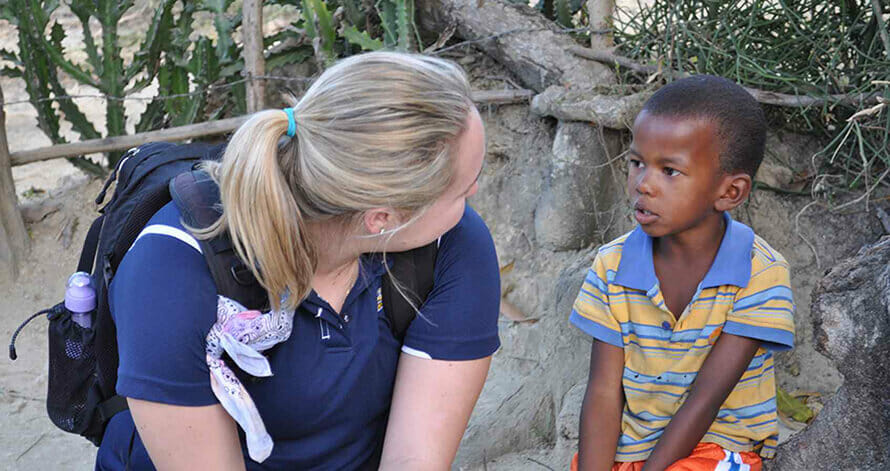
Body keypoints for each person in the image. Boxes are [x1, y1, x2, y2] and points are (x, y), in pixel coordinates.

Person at [95, 52, 501, 470]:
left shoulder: (451, 246)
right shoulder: (171, 274)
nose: (472, 198)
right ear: (383, 218)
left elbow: (414, 460)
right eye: (463, 189)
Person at [569, 75, 795, 471]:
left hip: (718, 449)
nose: (643, 184)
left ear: (730, 192)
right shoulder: (612, 265)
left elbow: (707, 397)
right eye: (637, 163)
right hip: (634, 452)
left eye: (669, 171)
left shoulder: (760, 272)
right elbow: (604, 392)